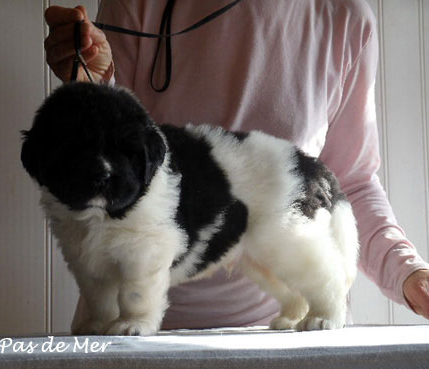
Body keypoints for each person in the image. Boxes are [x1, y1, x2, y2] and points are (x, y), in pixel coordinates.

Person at [43, 0, 429, 329]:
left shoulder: (344, 17)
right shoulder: (138, 4)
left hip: (282, 334)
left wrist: (410, 274)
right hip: (130, 329)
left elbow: (353, 182)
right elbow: (104, 140)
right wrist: (90, 76)